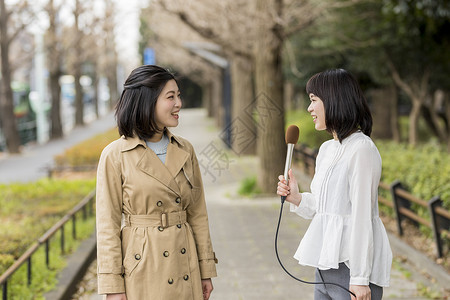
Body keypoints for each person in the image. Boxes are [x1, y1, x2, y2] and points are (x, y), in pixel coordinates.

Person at [96, 65, 218, 300]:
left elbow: (198, 214)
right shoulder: (115, 155)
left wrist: (206, 270)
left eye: (178, 96)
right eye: (170, 97)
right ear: (146, 101)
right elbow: (107, 226)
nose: (178, 104)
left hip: (185, 262)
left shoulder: (185, 149)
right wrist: (113, 286)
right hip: (143, 267)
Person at [277, 69, 392, 300]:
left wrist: (359, 280)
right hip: (325, 263)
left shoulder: (362, 149)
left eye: (314, 100)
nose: (309, 108)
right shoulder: (327, 149)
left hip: (350, 269)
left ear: (334, 100)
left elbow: (362, 217)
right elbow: (324, 207)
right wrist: (298, 198)